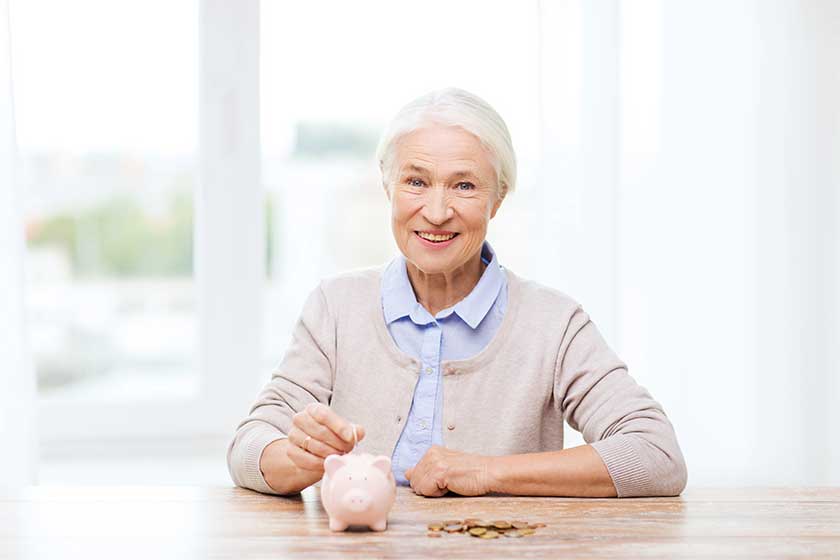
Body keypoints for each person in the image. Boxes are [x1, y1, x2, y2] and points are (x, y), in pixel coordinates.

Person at [227, 87, 687, 498]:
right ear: (388, 186)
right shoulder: (334, 306)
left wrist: (487, 472)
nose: (437, 210)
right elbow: (249, 445)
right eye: (416, 181)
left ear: (498, 198)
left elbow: (655, 455)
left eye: (464, 185)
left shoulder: (555, 324)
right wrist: (297, 459)